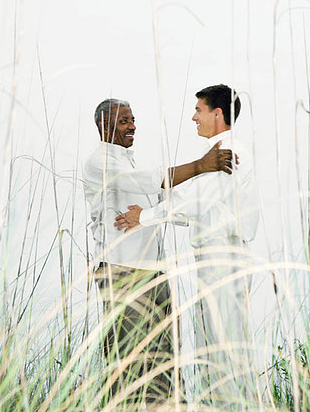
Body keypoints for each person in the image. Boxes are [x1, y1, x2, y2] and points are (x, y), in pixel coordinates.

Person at [83, 97, 237, 409]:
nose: (133, 126)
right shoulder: (99, 163)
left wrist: (206, 206)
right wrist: (200, 166)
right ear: (103, 125)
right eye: (124, 121)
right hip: (121, 273)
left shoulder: (130, 160)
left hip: (155, 275)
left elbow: (172, 202)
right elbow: (149, 181)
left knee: (165, 360)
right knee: (126, 361)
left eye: (133, 119)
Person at [114, 85, 260, 408]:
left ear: (217, 114)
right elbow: (190, 206)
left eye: (199, 110)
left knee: (225, 350)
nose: (193, 117)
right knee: (213, 347)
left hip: (224, 258)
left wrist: (146, 217)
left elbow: (197, 202)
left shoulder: (227, 153)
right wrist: (152, 202)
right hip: (212, 260)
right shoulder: (215, 154)